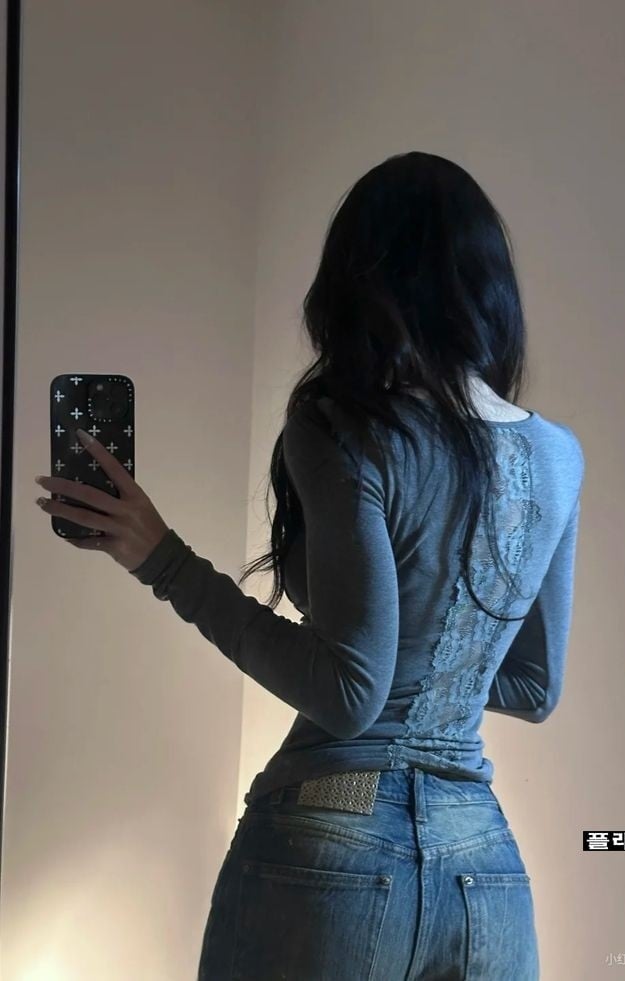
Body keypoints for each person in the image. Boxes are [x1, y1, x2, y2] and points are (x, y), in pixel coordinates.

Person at [129, 151, 585, 980]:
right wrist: (434, 669)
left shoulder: (344, 427)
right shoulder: (558, 456)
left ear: (355, 283)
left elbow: (350, 692)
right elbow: (532, 685)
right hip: (484, 865)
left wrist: (163, 560)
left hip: (329, 839)